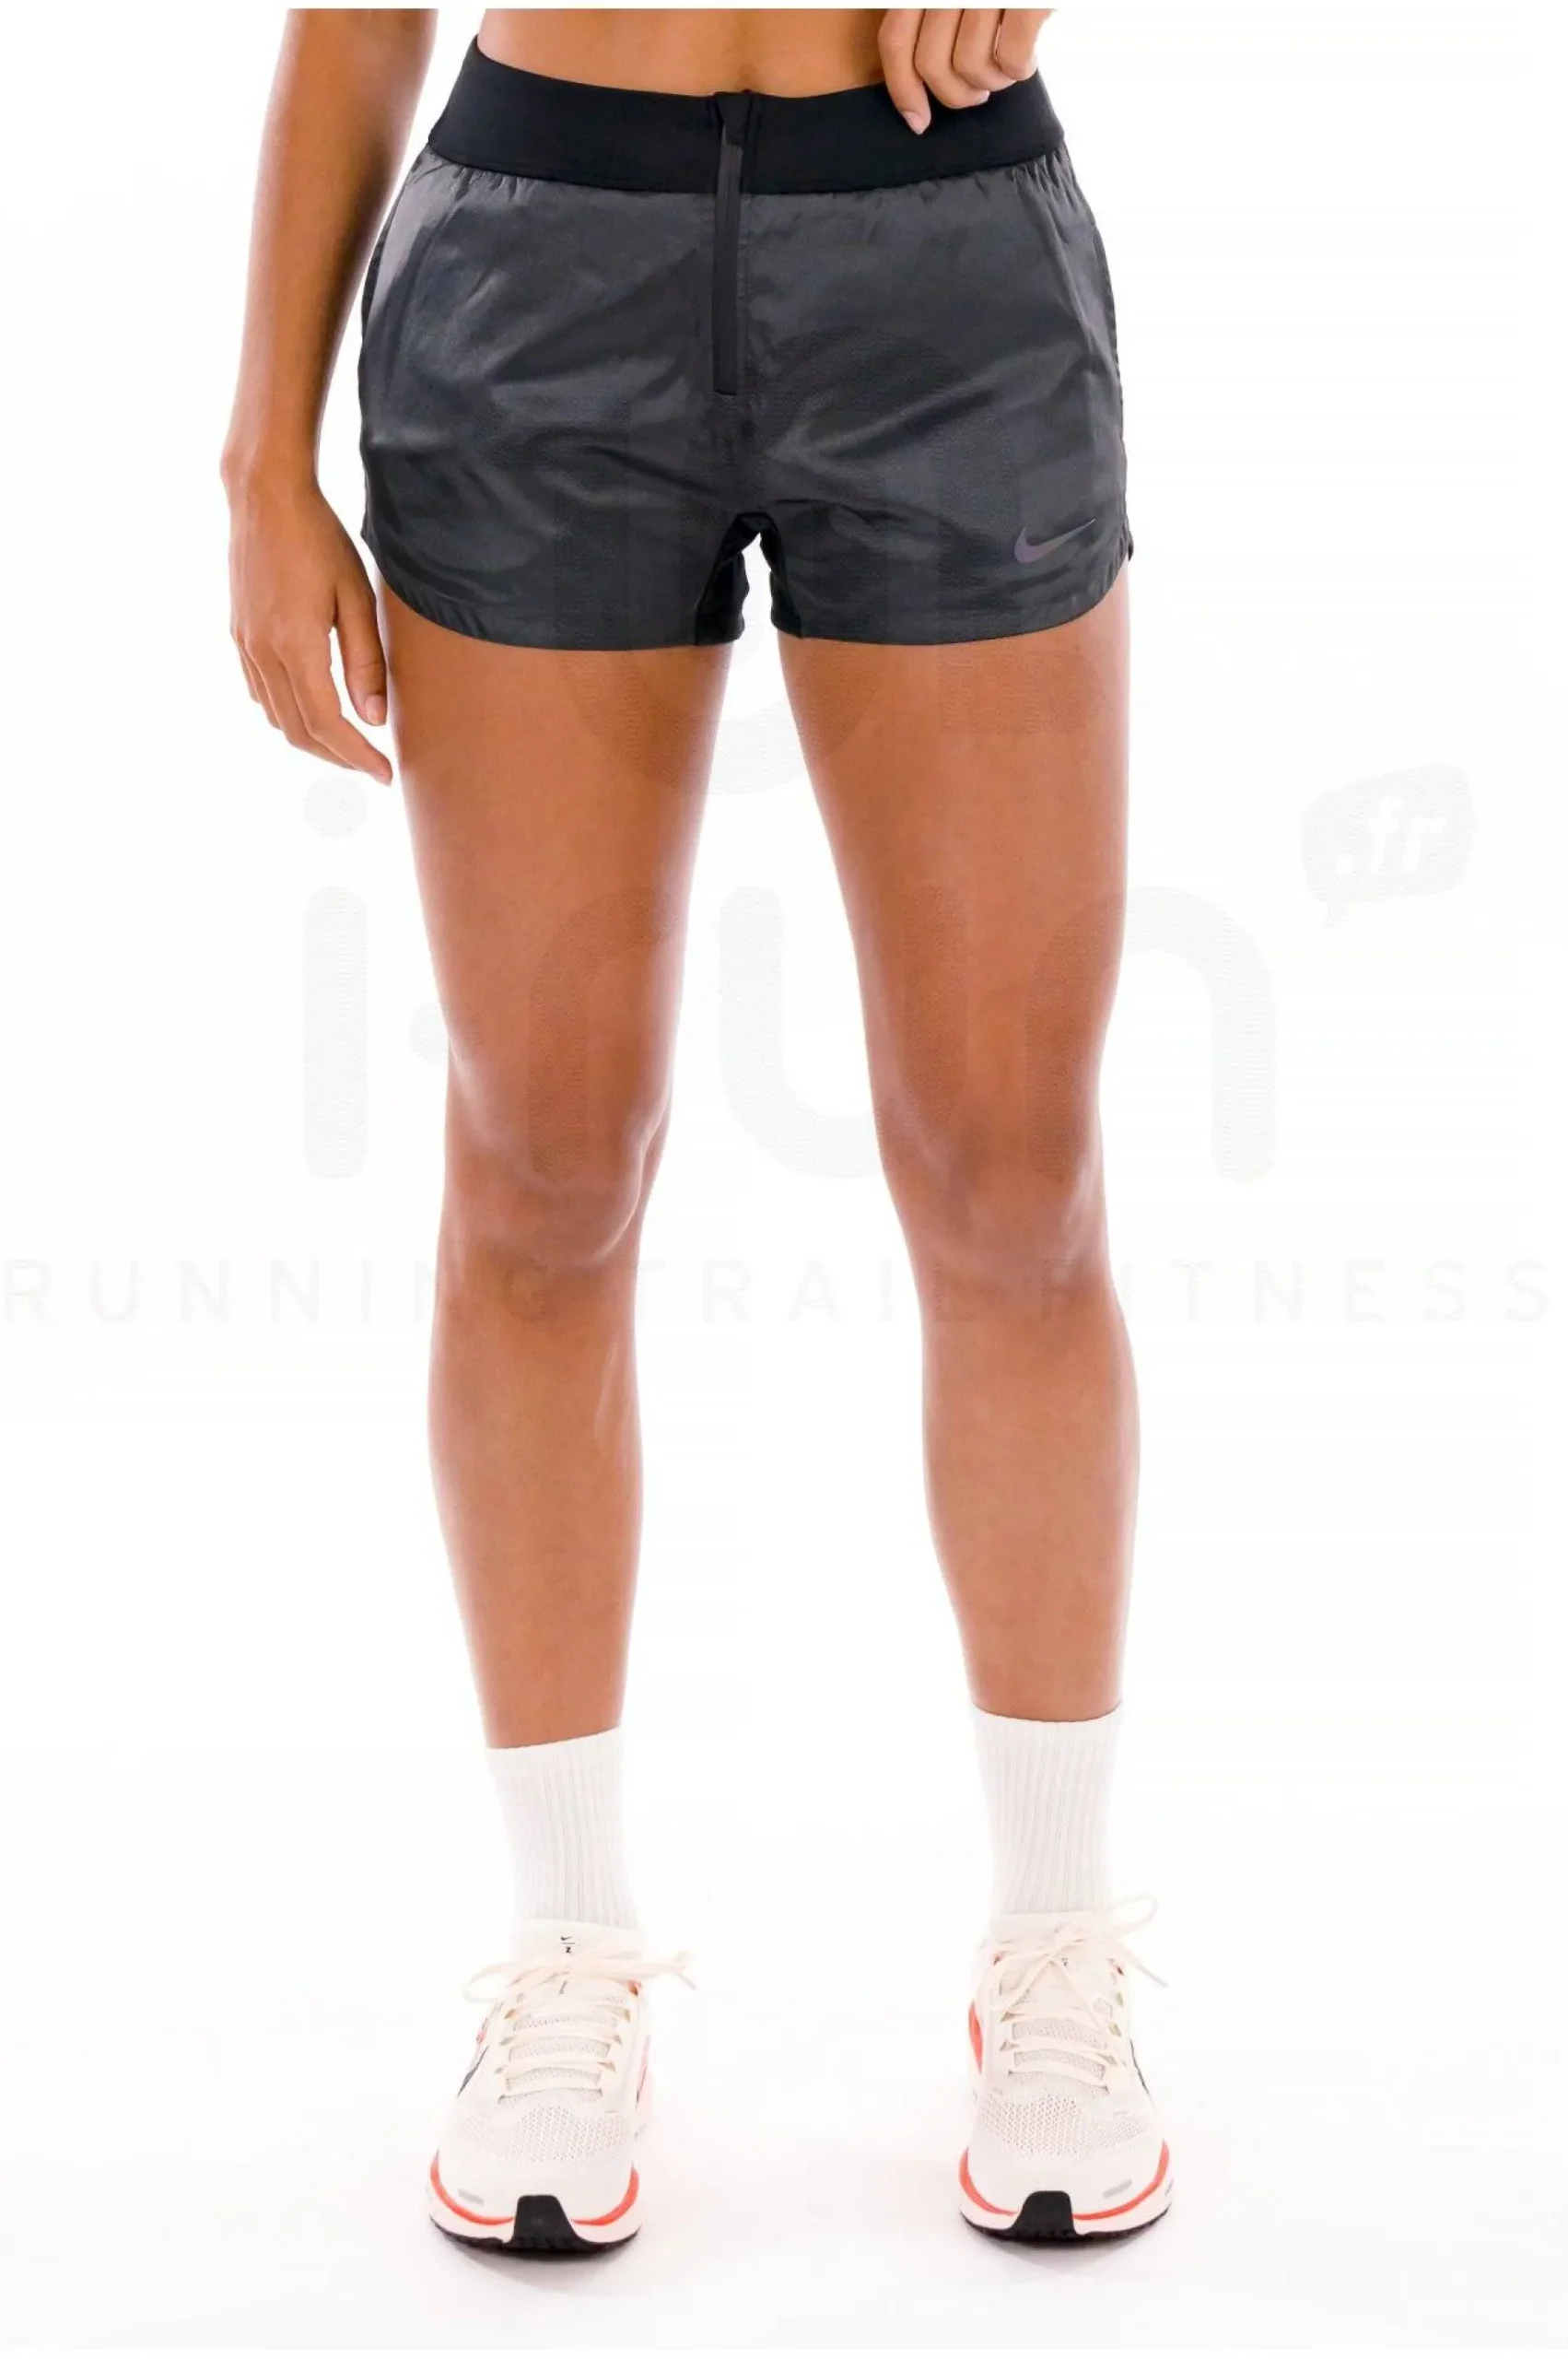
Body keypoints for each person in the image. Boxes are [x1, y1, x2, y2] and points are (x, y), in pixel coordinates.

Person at [224, 6, 1170, 2252]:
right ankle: (566, 1948)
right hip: (533, 267)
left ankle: (1053, 1940)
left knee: (1009, 1173)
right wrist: (260, 454)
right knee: (543, 1163)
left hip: (942, 249)